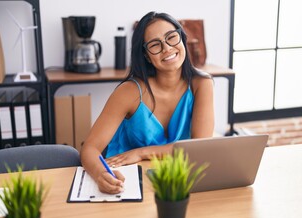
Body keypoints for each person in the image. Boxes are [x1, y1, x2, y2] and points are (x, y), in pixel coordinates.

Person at [80, 11, 214, 194]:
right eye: (155, 45)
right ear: (146, 55)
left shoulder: (202, 84)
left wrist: (141, 152)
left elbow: (201, 147)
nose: (167, 48)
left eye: (171, 37)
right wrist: (101, 174)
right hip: (128, 181)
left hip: (179, 179)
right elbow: (90, 148)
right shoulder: (129, 92)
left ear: (182, 39)